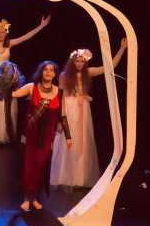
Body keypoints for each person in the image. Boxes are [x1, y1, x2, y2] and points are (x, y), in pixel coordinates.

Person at [50, 39, 127, 190]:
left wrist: (122, 49)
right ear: (72, 61)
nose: (79, 64)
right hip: (69, 108)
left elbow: (110, 67)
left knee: (82, 142)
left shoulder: (88, 72)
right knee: (68, 141)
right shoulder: (64, 75)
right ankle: (65, 177)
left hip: (83, 110)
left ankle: (79, 178)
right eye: (77, 61)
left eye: (82, 61)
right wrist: (60, 117)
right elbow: (61, 97)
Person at [0, 16, 51, 144]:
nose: (1, 34)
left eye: (3, 32)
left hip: (6, 77)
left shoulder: (9, 44)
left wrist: (41, 26)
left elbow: (26, 37)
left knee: (4, 105)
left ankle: (2, 133)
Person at [11, 61, 72, 211]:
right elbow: (12, 94)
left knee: (40, 167)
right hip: (30, 135)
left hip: (47, 138)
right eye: (45, 70)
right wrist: (8, 79)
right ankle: (26, 198)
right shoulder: (31, 87)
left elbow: (62, 116)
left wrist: (68, 136)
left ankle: (34, 197)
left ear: (55, 74)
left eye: (51, 70)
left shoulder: (59, 92)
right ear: (41, 72)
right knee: (28, 167)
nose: (48, 72)